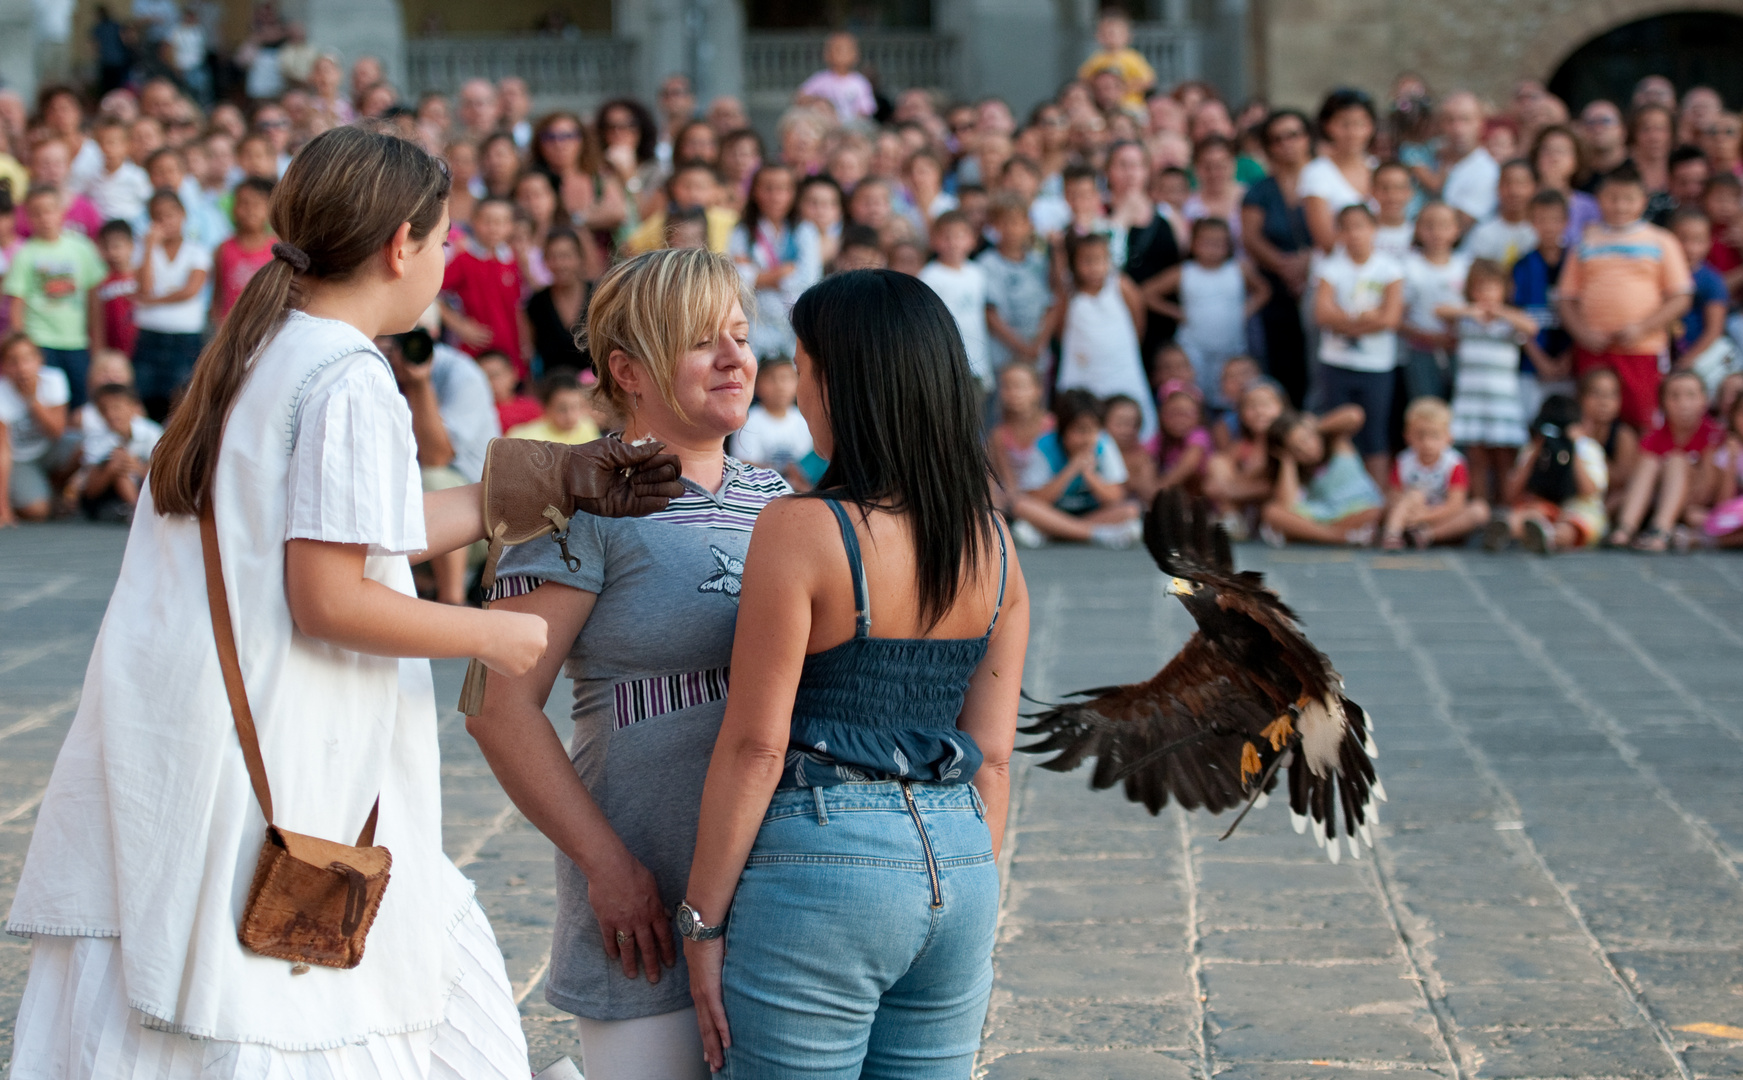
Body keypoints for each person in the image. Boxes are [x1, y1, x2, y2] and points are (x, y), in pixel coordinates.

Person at [2, 126, 679, 1075]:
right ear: (400, 243)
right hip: (285, 755)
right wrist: (492, 630)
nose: (446, 261)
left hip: (197, 745)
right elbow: (328, 595)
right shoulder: (348, 371)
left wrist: (561, 477)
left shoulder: (264, 347)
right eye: (443, 240)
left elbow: (370, 523)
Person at [677, 268, 1026, 1076]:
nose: (793, 392)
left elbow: (756, 747)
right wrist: (952, 880)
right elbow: (996, 758)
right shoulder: (997, 547)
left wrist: (700, 924)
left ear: (843, 384)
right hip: (963, 863)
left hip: (826, 861)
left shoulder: (801, 529)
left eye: (801, 367)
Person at [469, 249, 779, 1080]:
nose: (733, 358)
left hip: (777, 885)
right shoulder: (577, 498)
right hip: (640, 885)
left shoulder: (780, 501)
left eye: (741, 337)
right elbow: (494, 706)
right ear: (627, 370)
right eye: (699, 341)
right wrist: (608, 867)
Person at [1560, 163, 1694, 433]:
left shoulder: (1662, 241)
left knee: (1644, 420)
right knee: (1590, 422)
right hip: (1594, 349)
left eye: (1628, 199)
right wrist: (1583, 333)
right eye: (1612, 198)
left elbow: (1681, 297)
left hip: (1642, 349)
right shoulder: (1585, 242)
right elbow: (1566, 298)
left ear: (1643, 201)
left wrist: (1643, 328)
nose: (1620, 206)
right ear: (1599, 200)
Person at [1313, 203, 1404, 485]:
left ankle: (1375, 501)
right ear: (1339, 233)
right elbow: (1321, 314)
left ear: (1373, 229)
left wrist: (1345, 323)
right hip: (1335, 362)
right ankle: (1341, 492)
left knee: (1375, 435)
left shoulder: (1390, 268)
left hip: (1376, 365)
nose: (1354, 234)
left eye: (1361, 226)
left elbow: (1390, 319)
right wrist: (1364, 319)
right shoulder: (1330, 267)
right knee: (1337, 433)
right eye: (1347, 227)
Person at [1142, 217, 1269, 407]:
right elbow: (1147, 293)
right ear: (1193, 244)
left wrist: (1245, 310)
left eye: (1219, 243)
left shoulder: (1238, 269)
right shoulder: (1184, 272)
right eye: (1206, 242)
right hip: (1193, 348)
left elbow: (1263, 290)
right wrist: (1176, 312)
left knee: (1230, 395)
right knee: (1194, 395)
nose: (1213, 248)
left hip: (1231, 347)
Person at [1437, 257, 1534, 501]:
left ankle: (1506, 510)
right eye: (1481, 288)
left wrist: (1499, 311)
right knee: (1477, 458)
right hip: (1472, 400)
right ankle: (1479, 509)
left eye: (1493, 288)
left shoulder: (1509, 322)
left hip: (1501, 402)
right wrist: (1471, 310)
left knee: (1504, 459)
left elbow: (1531, 327)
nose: (1487, 294)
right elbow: (1440, 311)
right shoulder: (1467, 320)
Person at [1046, 232, 1155, 441]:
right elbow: (1061, 332)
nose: (1094, 268)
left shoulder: (1121, 286)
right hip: (1083, 372)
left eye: (1100, 261)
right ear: (1074, 263)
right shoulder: (1069, 294)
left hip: (1121, 369)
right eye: (1087, 261)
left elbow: (1138, 323)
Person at [5, 186, 105, 409]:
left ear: (61, 211)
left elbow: (94, 302)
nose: (44, 217)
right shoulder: (25, 254)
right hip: (40, 342)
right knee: (48, 402)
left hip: (76, 342)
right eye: (36, 212)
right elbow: (17, 304)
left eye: (49, 210)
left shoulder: (82, 248)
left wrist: (97, 343)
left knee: (81, 402)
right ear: (28, 217)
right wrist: (23, 348)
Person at [1243, 109, 1316, 406]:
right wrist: (1286, 267)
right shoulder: (1260, 191)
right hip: (1277, 289)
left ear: (1307, 138)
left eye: (1294, 135)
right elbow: (1251, 237)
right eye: (1277, 139)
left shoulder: (1325, 181)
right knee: (1284, 364)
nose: (1287, 144)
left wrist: (1310, 261)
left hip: (1323, 283)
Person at [1007, 387, 1142, 548]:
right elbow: (1036, 498)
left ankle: (1053, 533)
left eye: (1093, 430)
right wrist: (1072, 469)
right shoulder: (1044, 446)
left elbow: (1115, 497)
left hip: (1089, 515)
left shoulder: (1104, 444)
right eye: (1080, 430)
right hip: (1053, 512)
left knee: (1131, 510)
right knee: (1020, 505)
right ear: (1063, 430)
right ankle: (1097, 534)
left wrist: (1089, 475)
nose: (1087, 438)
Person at [1606, 370, 1720, 551]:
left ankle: (1660, 531)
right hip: (1657, 499)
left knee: (1676, 460)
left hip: (1696, 504)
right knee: (1649, 462)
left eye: (1691, 395)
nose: (1683, 403)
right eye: (1674, 396)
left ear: (1704, 400)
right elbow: (1639, 481)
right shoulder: (1654, 437)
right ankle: (1626, 527)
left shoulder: (1713, 435)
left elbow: (1708, 489)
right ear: (1663, 403)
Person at [1487, 393, 1609, 554]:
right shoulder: (1535, 447)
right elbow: (1510, 493)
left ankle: (1550, 537)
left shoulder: (1587, 448)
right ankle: (1507, 529)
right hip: (1543, 507)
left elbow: (1590, 490)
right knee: (1530, 514)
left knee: (1571, 527)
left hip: (1579, 509)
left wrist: (1573, 448)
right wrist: (1536, 450)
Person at [131, 189, 211, 421]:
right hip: (150, 335)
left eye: (170, 214)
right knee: (145, 396)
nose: (165, 221)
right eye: (158, 216)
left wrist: (153, 301)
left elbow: (190, 291)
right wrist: (148, 247)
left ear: (183, 215)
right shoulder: (143, 250)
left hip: (184, 337)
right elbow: (145, 287)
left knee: (182, 399)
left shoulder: (197, 250)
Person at [730, 164, 822, 361]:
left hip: (793, 326)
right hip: (755, 324)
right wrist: (784, 271)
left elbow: (808, 279)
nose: (775, 196)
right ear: (754, 191)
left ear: (793, 193)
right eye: (768, 188)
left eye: (782, 188)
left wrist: (757, 276)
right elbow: (735, 280)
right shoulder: (742, 231)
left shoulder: (805, 231)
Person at [1260, 405, 1383, 546]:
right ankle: (1338, 537)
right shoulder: (1300, 471)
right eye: (1297, 449)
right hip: (1326, 517)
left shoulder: (1337, 443)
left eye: (1306, 440)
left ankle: (1320, 536)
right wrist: (1287, 461)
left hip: (1358, 509)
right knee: (1272, 512)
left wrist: (1316, 426)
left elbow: (1354, 415)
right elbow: (1288, 506)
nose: (1307, 450)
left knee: (1372, 511)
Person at [1381, 396, 1488, 548]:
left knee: (1479, 510)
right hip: (1410, 515)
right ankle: (1392, 534)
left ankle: (1425, 536)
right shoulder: (1403, 461)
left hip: (1442, 517)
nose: (1427, 443)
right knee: (1414, 495)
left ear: (1448, 437)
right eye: (1420, 436)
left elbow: (1455, 504)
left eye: (1434, 435)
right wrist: (1411, 510)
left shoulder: (1455, 464)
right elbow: (1394, 495)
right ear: (1407, 436)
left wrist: (1425, 516)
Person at [442, 197, 527, 376]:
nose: (494, 228)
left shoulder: (514, 259)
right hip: (474, 350)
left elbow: (519, 306)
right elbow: (433, 294)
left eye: (501, 222)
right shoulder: (463, 260)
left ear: (511, 226)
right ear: (474, 221)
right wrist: (459, 325)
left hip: (510, 352)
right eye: (487, 221)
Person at [1398, 202, 1470, 405]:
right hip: (1421, 351)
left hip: (1459, 350)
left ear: (1457, 230)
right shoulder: (1408, 267)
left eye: (1445, 225)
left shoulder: (1466, 266)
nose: (1437, 232)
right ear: (1417, 229)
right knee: (1426, 407)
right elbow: (1397, 316)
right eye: (1429, 225)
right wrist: (1426, 337)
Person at [1512, 190, 1575, 419]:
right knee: (1530, 423)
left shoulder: (1577, 262)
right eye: (1541, 220)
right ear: (1531, 222)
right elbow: (1516, 317)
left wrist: (1568, 358)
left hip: (1571, 364)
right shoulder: (1521, 265)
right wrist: (1540, 361)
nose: (1549, 226)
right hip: (1532, 365)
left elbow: (1585, 315)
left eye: (1555, 220)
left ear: (1567, 222)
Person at [0, 333, 75, 523]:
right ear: (5, 366)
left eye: (27, 358)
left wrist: (32, 400)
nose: (21, 368)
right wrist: (4, 507)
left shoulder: (54, 378)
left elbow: (57, 431)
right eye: (13, 361)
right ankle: (36, 495)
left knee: (84, 445)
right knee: (37, 512)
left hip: (50, 448)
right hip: (19, 459)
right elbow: (3, 453)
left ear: (39, 360)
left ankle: (58, 490)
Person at [978, 193, 1052, 378]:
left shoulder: (1039, 262)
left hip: (1037, 359)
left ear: (1029, 225)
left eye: (1017, 222)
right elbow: (990, 314)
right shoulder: (987, 264)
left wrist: (1038, 345)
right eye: (1004, 223)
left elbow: (1051, 305)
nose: (1011, 229)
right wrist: (1022, 347)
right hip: (1002, 360)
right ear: (993, 227)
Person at [919, 211, 993, 391]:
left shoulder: (978, 273)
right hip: (946, 363)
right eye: (946, 237)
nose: (953, 243)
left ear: (972, 239)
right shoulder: (929, 276)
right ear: (933, 240)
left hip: (978, 361)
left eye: (959, 236)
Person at [1668, 208, 1737, 391]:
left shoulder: (1711, 280)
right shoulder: (1661, 275)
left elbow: (1714, 329)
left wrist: (1685, 362)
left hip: (1699, 362)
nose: (1690, 247)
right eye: (1683, 239)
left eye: (1698, 240)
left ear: (1708, 243)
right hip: (1666, 357)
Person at [1300, 89, 1377, 254]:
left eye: (1360, 124)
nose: (1352, 133)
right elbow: (1325, 240)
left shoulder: (1379, 168)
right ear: (1327, 126)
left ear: (1370, 127)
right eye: (1344, 124)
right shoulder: (1316, 173)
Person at [77, 380, 160, 520]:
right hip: (105, 495)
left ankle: (139, 510)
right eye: (104, 409)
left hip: (144, 487)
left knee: (145, 467)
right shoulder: (95, 439)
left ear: (133, 407)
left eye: (116, 407)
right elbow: (91, 490)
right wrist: (111, 469)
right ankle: (137, 512)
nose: (110, 414)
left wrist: (136, 467)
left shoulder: (152, 433)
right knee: (119, 468)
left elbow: (162, 472)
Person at [1423, 91, 1499, 230]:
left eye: (1466, 119)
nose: (1458, 128)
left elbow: (1458, 226)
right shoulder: (1430, 155)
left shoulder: (1486, 170)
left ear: (1480, 123)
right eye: (1450, 120)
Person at [523, 229, 594, 375]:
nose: (560, 264)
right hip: (553, 389)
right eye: (552, 257)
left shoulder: (599, 295)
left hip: (596, 389)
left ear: (580, 257)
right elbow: (529, 353)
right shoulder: (536, 303)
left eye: (566, 256)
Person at [730, 354, 813, 478]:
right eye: (771, 379)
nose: (780, 386)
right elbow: (743, 464)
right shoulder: (748, 421)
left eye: (787, 378)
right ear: (757, 385)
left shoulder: (805, 420)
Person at [987, 362, 1051, 510]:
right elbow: (1008, 484)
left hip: (1047, 495)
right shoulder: (999, 434)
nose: (1013, 392)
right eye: (1007, 386)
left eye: (1020, 386)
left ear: (1038, 390)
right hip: (1015, 500)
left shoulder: (1052, 426)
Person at [213, 177, 275, 324]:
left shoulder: (277, 249)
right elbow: (218, 293)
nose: (250, 210)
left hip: (265, 327)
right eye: (244, 203)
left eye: (257, 204)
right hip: (230, 327)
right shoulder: (224, 249)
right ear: (234, 208)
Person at [1462, 158, 1537, 267]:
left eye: (1521, 183)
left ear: (1534, 187)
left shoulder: (1541, 232)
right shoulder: (1483, 232)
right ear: (1497, 187)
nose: (1514, 191)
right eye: (1507, 183)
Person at [1078, 8, 1154, 109]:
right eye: (1106, 33)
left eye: (1114, 33)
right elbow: (1083, 79)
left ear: (1127, 36)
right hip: (1104, 105)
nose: (1110, 37)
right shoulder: (1096, 59)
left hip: (1131, 105)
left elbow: (1148, 80)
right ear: (1099, 36)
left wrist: (1124, 88)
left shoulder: (1132, 58)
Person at [505, 367, 601, 444]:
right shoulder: (524, 438)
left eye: (576, 407)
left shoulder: (587, 427)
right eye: (562, 409)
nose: (570, 415)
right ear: (546, 407)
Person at [798, 32, 877, 124]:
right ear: (827, 54)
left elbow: (866, 110)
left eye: (847, 50)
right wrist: (818, 102)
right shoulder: (821, 79)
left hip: (852, 129)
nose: (843, 54)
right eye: (838, 50)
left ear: (856, 55)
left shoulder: (860, 82)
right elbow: (800, 97)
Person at [1152, 382, 1212, 494]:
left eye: (1186, 414)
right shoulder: (1160, 437)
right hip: (1168, 493)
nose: (1179, 419)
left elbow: (1187, 467)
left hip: (1199, 496)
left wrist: (1156, 492)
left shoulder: (1199, 434)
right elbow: (1143, 457)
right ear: (1161, 416)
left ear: (1199, 417)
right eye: (1173, 413)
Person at [90, 219, 138, 358]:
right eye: (106, 247)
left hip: (141, 349)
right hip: (111, 352)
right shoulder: (98, 284)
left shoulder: (142, 278)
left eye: (117, 246)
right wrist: (98, 353)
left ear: (131, 245)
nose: (112, 252)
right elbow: (96, 323)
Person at [479, 348, 541, 433]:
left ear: (513, 374)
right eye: (482, 378)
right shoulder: (477, 412)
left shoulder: (533, 409)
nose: (489, 383)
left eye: (494, 375)